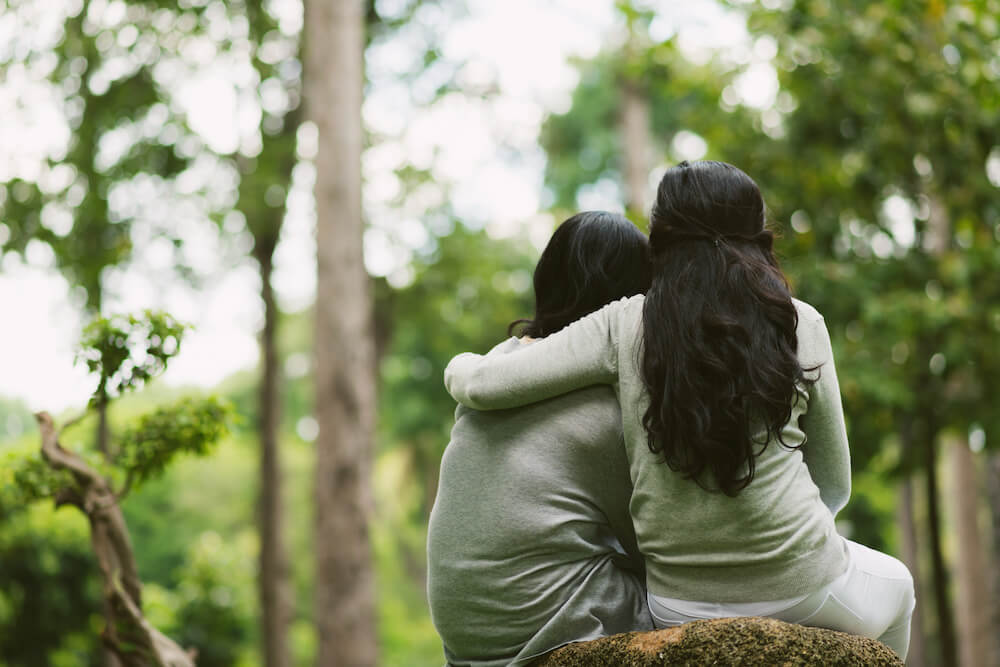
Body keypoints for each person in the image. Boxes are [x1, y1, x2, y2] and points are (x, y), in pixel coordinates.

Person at [444, 161, 915, 659]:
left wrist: (459, 365)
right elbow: (833, 483)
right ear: (759, 239)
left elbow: (483, 383)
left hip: (675, 603)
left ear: (660, 244)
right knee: (900, 587)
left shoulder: (624, 323)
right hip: (803, 584)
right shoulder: (799, 323)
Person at [426, 211, 655, 666]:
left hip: (466, 639)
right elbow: (646, 540)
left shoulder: (499, 362)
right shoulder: (600, 407)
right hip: (545, 630)